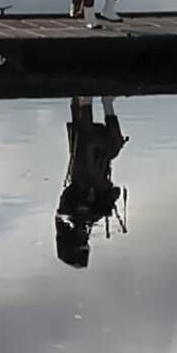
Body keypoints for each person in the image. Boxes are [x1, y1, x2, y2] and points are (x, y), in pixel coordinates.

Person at [55, 94, 128, 269]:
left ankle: (85, 100)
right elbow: (113, 191)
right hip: (100, 166)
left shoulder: (66, 214)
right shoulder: (93, 216)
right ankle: (107, 103)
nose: (84, 237)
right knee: (115, 143)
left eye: (81, 241)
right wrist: (108, 199)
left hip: (82, 168)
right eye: (85, 242)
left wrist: (83, 197)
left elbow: (68, 193)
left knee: (86, 142)